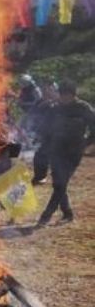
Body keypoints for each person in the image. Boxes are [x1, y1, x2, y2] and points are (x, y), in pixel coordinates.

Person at [37, 81, 95, 226]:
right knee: (58, 183)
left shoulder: (83, 108)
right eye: (61, 95)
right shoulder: (55, 108)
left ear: (73, 95)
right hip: (56, 150)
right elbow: (45, 127)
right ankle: (67, 213)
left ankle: (46, 216)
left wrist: (86, 144)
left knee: (60, 183)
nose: (63, 98)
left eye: (66, 95)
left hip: (74, 152)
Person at [31, 81, 59, 185]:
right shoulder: (41, 103)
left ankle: (55, 178)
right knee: (40, 156)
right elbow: (34, 114)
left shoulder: (61, 102)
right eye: (45, 89)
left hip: (59, 134)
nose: (46, 91)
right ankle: (39, 177)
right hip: (45, 134)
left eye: (49, 89)